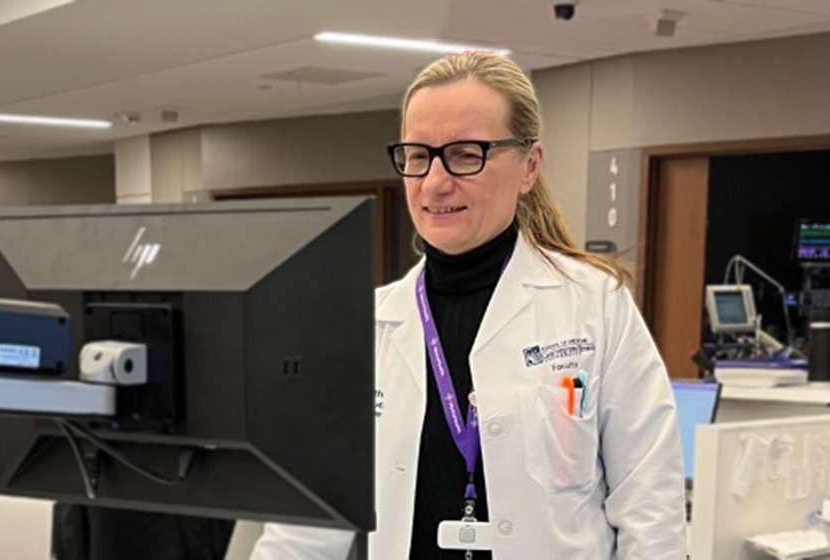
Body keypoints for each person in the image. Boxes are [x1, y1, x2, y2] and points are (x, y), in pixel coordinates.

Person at [250, 51, 686, 560]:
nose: (435, 181)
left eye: (464, 154)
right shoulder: (362, 328)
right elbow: (305, 529)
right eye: (418, 155)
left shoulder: (595, 307)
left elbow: (650, 510)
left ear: (529, 166)